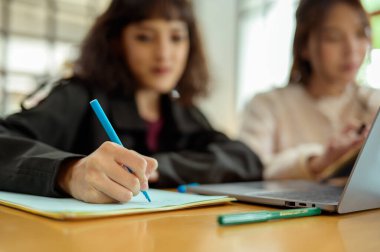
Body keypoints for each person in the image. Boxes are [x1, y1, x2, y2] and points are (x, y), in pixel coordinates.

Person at [0, 0, 262, 203]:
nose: (164, 54)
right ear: (116, 42)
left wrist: (159, 167)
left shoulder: (183, 111)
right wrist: (70, 172)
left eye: (176, 37)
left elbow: (245, 159)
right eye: (144, 37)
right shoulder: (79, 95)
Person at [239, 0, 380, 180]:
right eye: (333, 37)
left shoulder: (374, 102)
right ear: (304, 46)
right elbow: (248, 168)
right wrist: (319, 161)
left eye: (360, 34)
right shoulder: (268, 104)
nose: (351, 49)